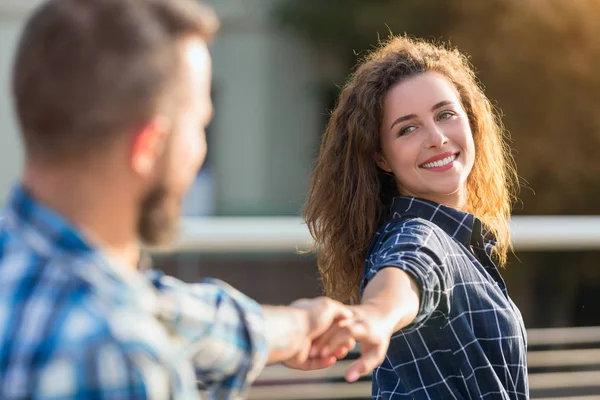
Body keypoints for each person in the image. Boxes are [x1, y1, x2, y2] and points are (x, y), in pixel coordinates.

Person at [0, 0, 354, 399]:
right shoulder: (119, 354)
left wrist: (299, 326)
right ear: (148, 146)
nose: (199, 149)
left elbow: (161, 307)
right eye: (200, 125)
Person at [303, 35, 528, 399]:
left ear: (470, 122)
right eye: (408, 128)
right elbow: (409, 268)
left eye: (445, 115)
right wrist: (376, 314)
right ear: (381, 158)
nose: (437, 138)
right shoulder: (417, 235)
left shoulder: (459, 239)